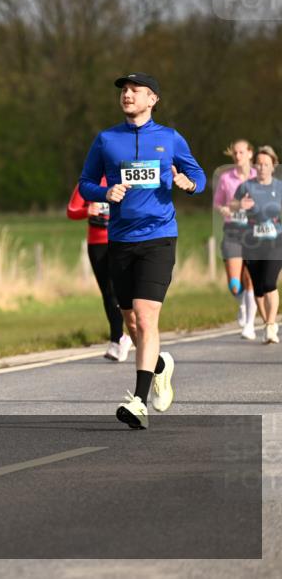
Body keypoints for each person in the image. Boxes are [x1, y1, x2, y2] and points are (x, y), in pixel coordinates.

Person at [78, 72, 206, 430]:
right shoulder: (106, 140)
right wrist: (106, 193)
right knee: (131, 321)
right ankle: (160, 365)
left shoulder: (170, 138)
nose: (127, 95)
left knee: (147, 318)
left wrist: (189, 182)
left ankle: (138, 401)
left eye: (136, 90)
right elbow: (85, 184)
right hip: (120, 239)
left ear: (153, 100)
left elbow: (199, 175)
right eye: (124, 90)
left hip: (159, 237)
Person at [66, 178, 132, 361]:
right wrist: (87, 210)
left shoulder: (122, 177)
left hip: (121, 241)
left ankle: (120, 338)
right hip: (97, 244)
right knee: (107, 292)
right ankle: (118, 338)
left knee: (119, 291)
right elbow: (71, 210)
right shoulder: (87, 183)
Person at [232, 146, 281, 344]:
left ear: (273, 166)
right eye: (258, 164)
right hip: (251, 242)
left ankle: (270, 325)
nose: (261, 168)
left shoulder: (279, 187)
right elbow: (231, 206)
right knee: (258, 288)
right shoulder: (246, 187)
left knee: (269, 282)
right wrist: (239, 206)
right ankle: (266, 324)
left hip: (276, 241)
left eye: (265, 164)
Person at [213, 140, 257, 339]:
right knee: (234, 284)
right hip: (232, 230)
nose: (238, 156)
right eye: (235, 153)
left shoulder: (259, 176)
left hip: (254, 232)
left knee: (251, 280)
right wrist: (226, 208)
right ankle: (241, 305)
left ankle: (249, 325)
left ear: (250, 153)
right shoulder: (226, 178)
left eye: (242, 152)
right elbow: (218, 204)